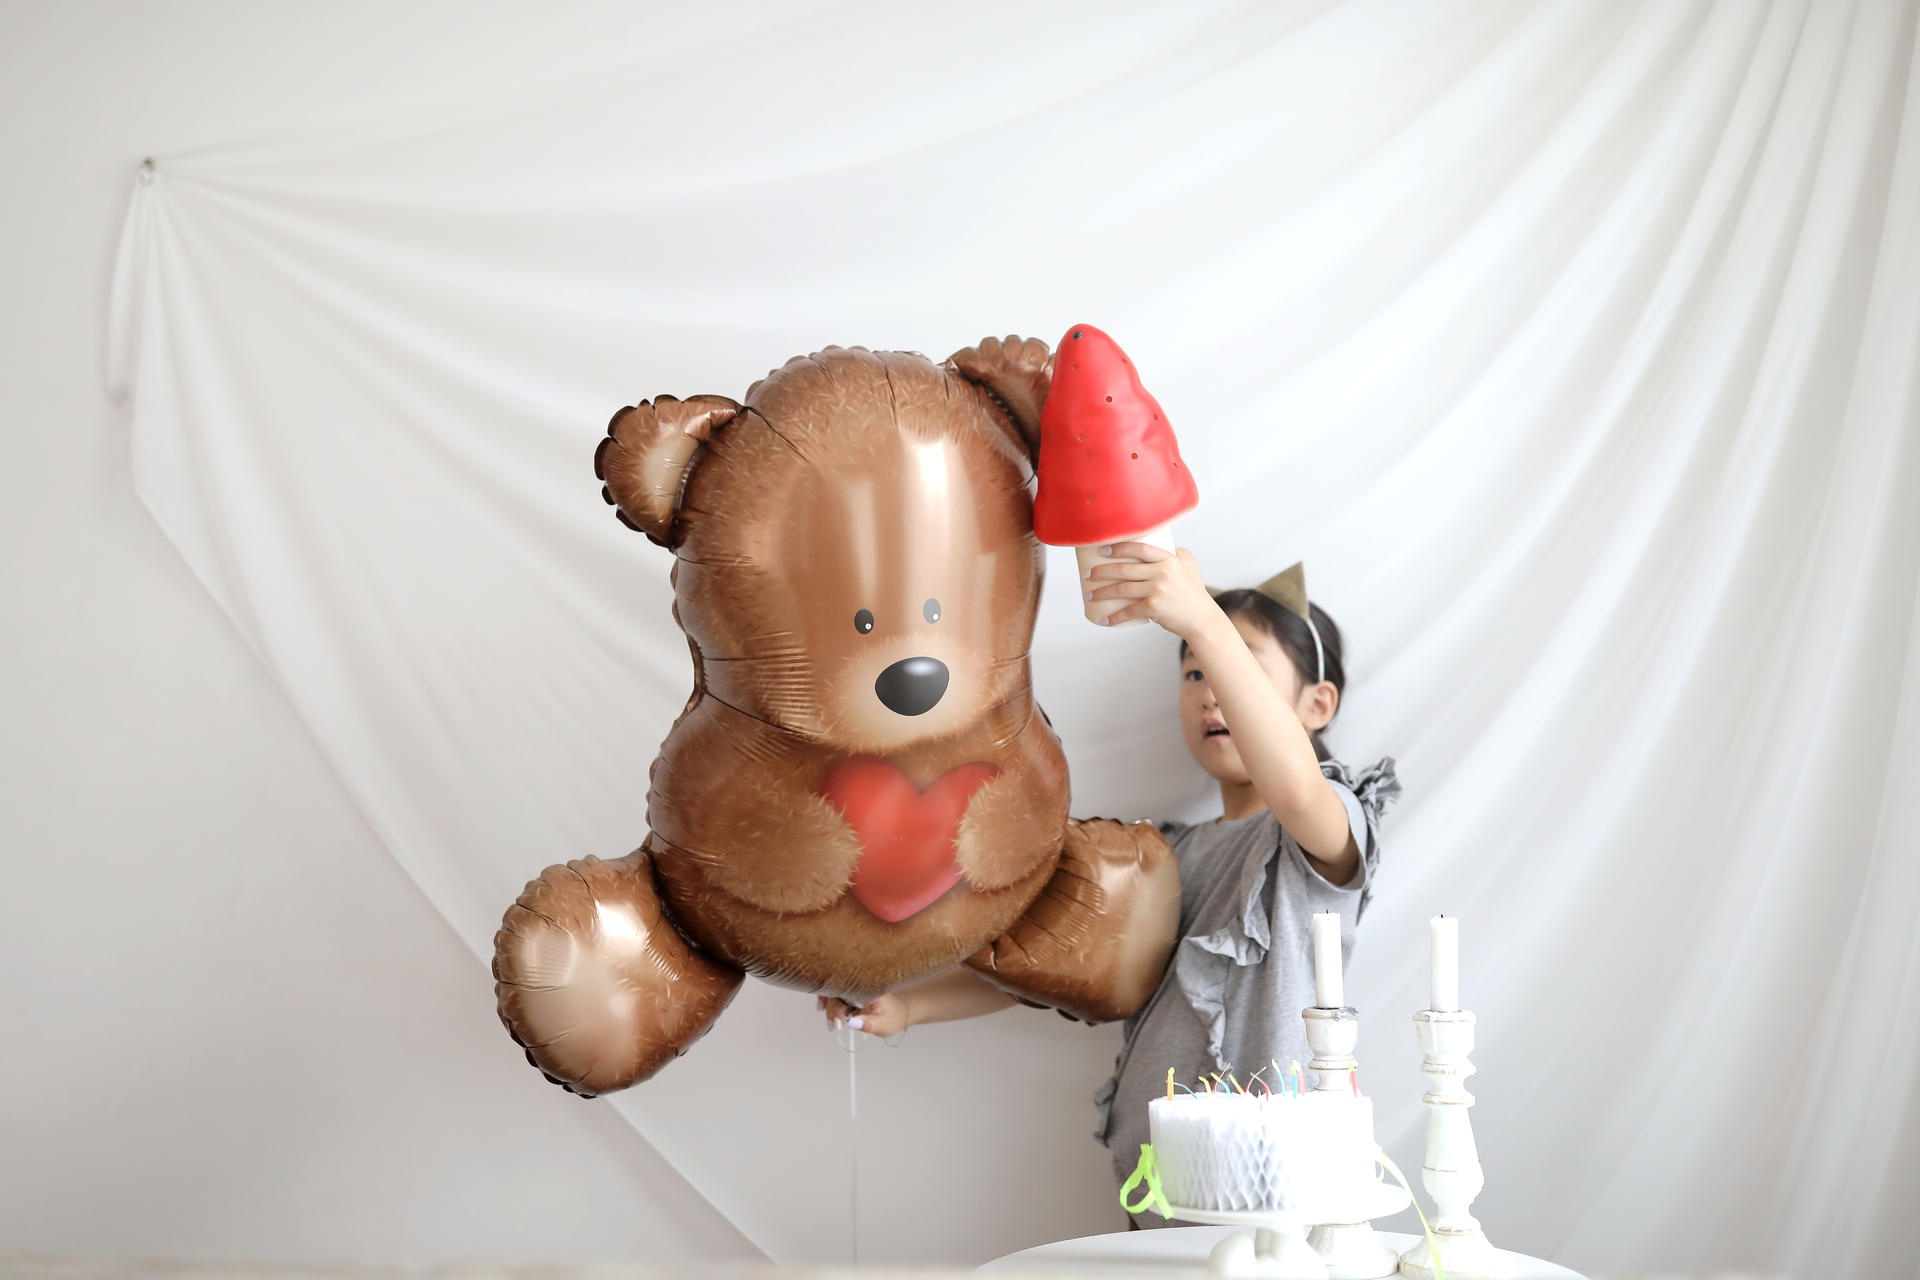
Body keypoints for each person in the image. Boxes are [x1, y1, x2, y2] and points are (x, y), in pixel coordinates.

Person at [819, 545, 1398, 1228]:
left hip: (1279, 1202)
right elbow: (1060, 965)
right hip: (1164, 1194)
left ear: (1317, 703)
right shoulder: (1166, 853)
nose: (1210, 689)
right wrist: (908, 1005)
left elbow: (1297, 791)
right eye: (1193, 672)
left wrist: (1203, 621)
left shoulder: (1325, 823)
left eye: (1234, 664)